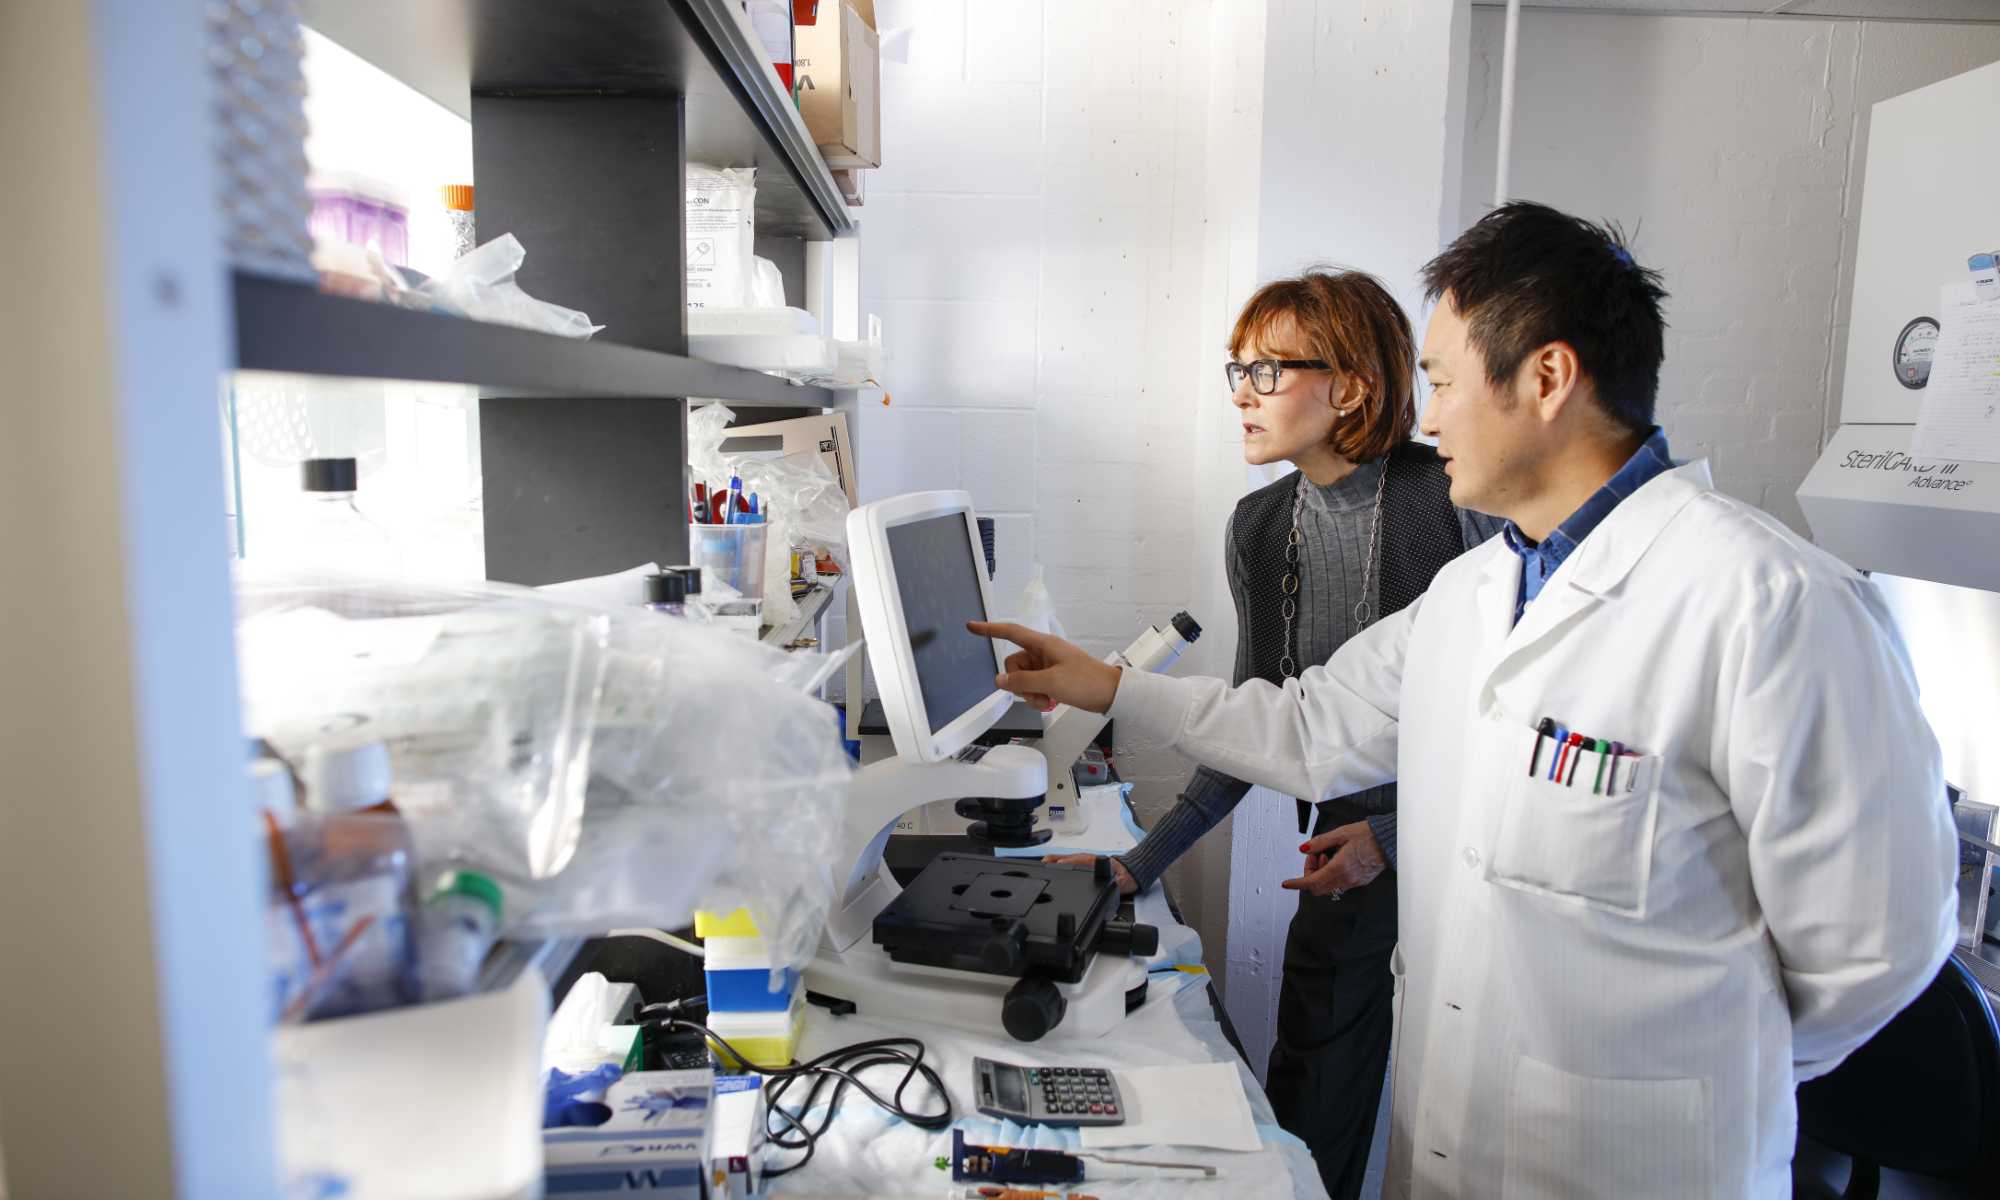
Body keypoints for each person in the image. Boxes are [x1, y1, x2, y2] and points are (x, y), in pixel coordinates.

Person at [973, 202, 1959, 1198]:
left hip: (1637, 1164)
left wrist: (1694, 1070)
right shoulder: (1471, 593)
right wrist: (1105, 685)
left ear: (1544, 377)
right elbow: (1307, 728)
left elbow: (1872, 952)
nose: (1426, 414)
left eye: (1440, 379)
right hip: (1450, 1148)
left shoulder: (1769, 603)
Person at [1048, 269, 1498, 1198]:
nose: (1242, 395)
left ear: (1353, 386)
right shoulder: (1259, 527)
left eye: (1267, 370)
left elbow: (1507, 730)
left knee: (1471, 1121)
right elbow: (1262, 728)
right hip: (1339, 856)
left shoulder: (1452, 504)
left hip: (1462, 858)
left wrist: (1389, 836)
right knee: (1312, 1083)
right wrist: (1141, 862)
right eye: (1236, 371)